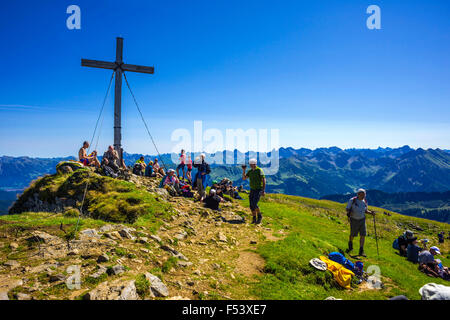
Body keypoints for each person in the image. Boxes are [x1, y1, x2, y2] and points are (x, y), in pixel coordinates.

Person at [345, 188, 375, 257]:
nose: (363, 196)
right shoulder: (352, 200)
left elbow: (366, 211)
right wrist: (349, 212)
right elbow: (347, 209)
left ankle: (361, 250)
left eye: (364, 195)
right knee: (353, 234)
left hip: (362, 219)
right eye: (362, 195)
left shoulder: (365, 201)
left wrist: (371, 213)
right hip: (354, 219)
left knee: (363, 234)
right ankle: (350, 243)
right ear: (358, 194)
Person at [242, 158, 266, 225]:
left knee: (254, 204)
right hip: (252, 189)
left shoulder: (259, 170)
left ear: (255, 164)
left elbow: (264, 180)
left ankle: (259, 216)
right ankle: (254, 218)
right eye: (251, 164)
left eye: (253, 164)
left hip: (258, 189)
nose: (252, 165)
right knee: (251, 205)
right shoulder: (250, 171)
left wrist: (263, 190)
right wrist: (244, 170)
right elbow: (244, 178)